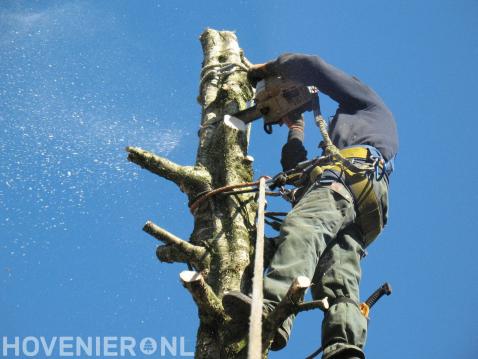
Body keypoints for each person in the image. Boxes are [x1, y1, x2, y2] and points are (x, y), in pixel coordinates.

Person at [223, 53, 398, 359]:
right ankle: (343, 346)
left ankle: (271, 307)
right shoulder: (340, 143)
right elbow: (297, 170)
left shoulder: (366, 105)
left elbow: (311, 66)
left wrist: (263, 70)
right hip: (363, 206)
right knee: (337, 277)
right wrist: (296, 127)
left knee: (302, 229)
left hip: (347, 182)